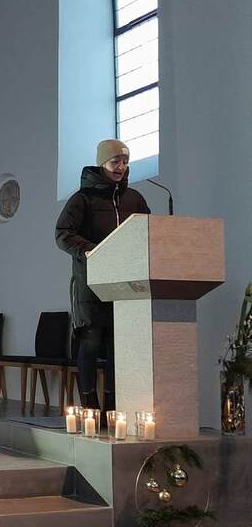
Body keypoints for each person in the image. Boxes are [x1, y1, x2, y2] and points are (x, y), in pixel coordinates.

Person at [55, 139, 150, 411]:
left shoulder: (135, 199)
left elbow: (147, 231)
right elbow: (63, 234)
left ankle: (112, 406)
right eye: (115, 161)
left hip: (125, 284)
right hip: (90, 283)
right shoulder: (82, 198)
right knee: (91, 342)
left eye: (125, 162)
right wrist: (91, 250)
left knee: (117, 347)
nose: (121, 167)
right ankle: (90, 406)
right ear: (101, 164)